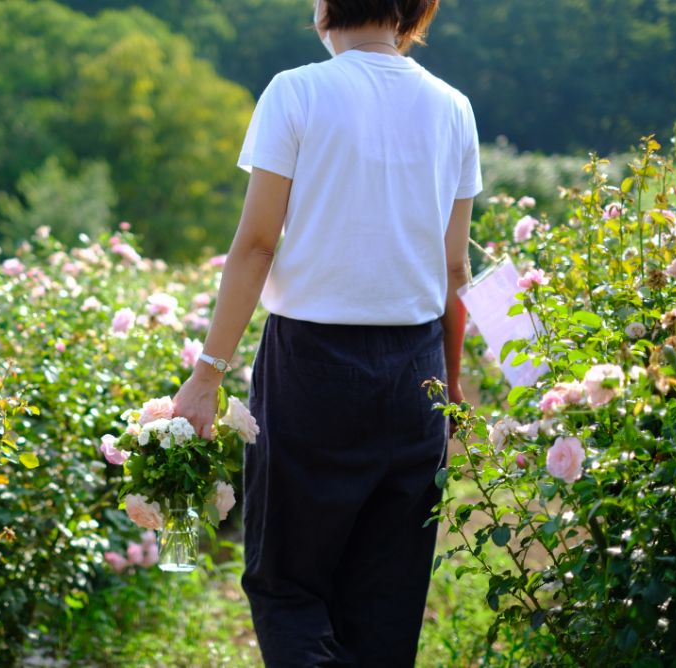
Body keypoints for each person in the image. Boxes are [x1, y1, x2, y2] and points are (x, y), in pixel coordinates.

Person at [172, 0, 482, 664]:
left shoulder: (297, 92)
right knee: (387, 602)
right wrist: (451, 393)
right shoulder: (454, 107)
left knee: (287, 586)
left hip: (311, 370)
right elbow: (456, 270)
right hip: (417, 373)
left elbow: (256, 246)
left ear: (324, 5)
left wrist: (207, 372)